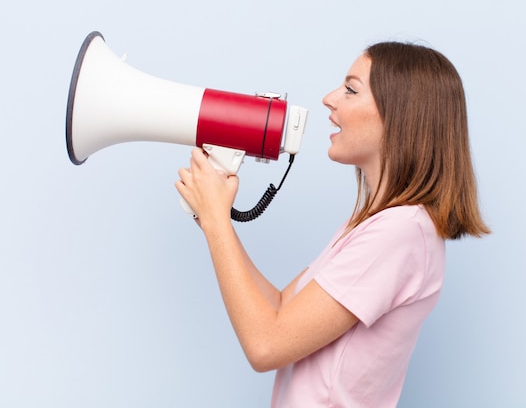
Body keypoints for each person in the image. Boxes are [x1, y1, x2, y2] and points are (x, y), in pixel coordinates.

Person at [175, 41, 490, 408]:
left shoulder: (401, 233)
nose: (329, 99)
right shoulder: (374, 225)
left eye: (351, 90)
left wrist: (218, 224)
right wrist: (212, 220)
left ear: (400, 116)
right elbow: (279, 307)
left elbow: (266, 345)